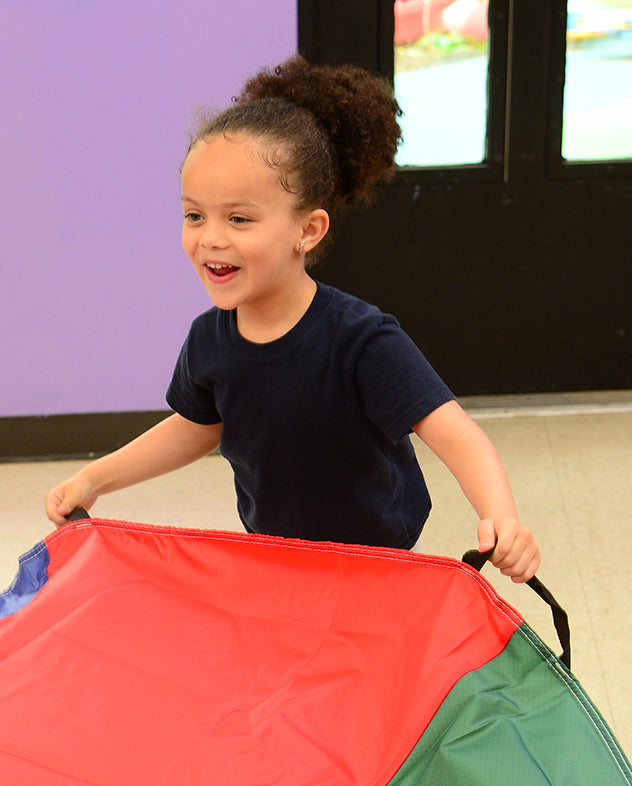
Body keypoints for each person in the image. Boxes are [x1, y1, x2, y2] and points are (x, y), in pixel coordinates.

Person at [45, 54, 540, 583]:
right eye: (194, 215)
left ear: (308, 230)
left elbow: (455, 434)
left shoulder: (362, 339)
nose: (210, 237)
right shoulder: (208, 340)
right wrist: (95, 478)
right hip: (276, 551)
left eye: (238, 218)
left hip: (375, 557)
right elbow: (198, 427)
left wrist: (502, 516)